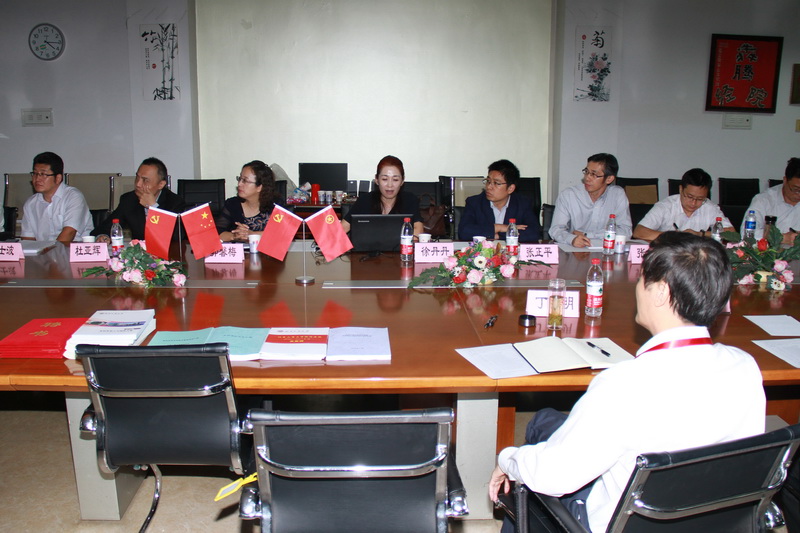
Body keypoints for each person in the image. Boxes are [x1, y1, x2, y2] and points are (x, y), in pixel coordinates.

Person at [489, 232, 765, 533]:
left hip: (626, 521)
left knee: (530, 463)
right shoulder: (745, 366)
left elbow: (553, 477)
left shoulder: (624, 384)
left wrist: (508, 460)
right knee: (545, 421)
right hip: (712, 517)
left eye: (642, 278)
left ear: (660, 292)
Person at [549, 153, 632, 247]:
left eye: (594, 174)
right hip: (576, 250)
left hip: (606, 251)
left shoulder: (617, 195)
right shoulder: (569, 195)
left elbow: (626, 231)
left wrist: (587, 235)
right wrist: (572, 239)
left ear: (609, 179)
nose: (587, 178)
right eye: (586, 172)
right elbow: (556, 230)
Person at [93, 157, 185, 241]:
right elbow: (105, 227)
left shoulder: (175, 202)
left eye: (145, 180)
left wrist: (153, 208)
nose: (138, 184)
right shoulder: (129, 199)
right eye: (137, 177)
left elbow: (177, 237)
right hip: (139, 252)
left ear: (161, 184)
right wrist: (103, 236)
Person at [633, 168, 734, 241]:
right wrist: (675, 236)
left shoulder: (710, 208)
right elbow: (639, 232)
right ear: (681, 189)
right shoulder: (666, 206)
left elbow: (732, 234)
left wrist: (700, 234)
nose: (693, 203)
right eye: (689, 197)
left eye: (700, 199)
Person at [458, 159, 541, 242]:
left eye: (497, 183)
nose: (489, 187)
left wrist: (498, 235)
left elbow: (534, 233)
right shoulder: (474, 202)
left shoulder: (523, 203)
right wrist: (499, 227)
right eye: (488, 181)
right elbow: (464, 232)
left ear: (510, 188)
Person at [21, 152, 93, 244]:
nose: (37, 179)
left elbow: (69, 234)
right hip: (43, 251)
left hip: (73, 250)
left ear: (58, 178)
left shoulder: (73, 197)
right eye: (35, 173)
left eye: (43, 174)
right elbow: (27, 239)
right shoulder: (30, 203)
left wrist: (50, 252)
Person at [341, 155, 423, 235]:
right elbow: (341, 230)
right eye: (384, 179)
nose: (390, 185)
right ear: (377, 180)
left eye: (395, 179)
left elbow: (418, 232)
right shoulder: (365, 200)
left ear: (402, 181)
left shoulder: (410, 200)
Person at [743, 157, 800, 243]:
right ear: (785, 180)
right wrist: (780, 238)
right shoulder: (763, 200)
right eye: (796, 189)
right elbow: (747, 233)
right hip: (769, 251)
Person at [217, 160, 277, 242]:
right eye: (240, 179)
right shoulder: (232, 204)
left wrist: (252, 235)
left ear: (259, 187)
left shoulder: (275, 206)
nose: (239, 184)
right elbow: (217, 233)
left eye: (245, 181)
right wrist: (235, 236)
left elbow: (282, 234)